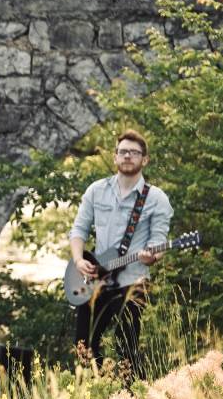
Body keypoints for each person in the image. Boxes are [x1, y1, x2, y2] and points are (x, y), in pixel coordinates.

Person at [69, 129, 172, 374]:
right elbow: (78, 230)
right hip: (95, 279)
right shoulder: (96, 190)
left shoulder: (157, 199)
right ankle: (90, 398)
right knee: (84, 346)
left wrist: (153, 257)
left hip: (133, 282)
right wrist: (78, 261)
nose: (127, 156)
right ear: (115, 157)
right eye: (123, 152)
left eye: (134, 153)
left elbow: (159, 242)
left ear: (144, 160)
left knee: (127, 348)